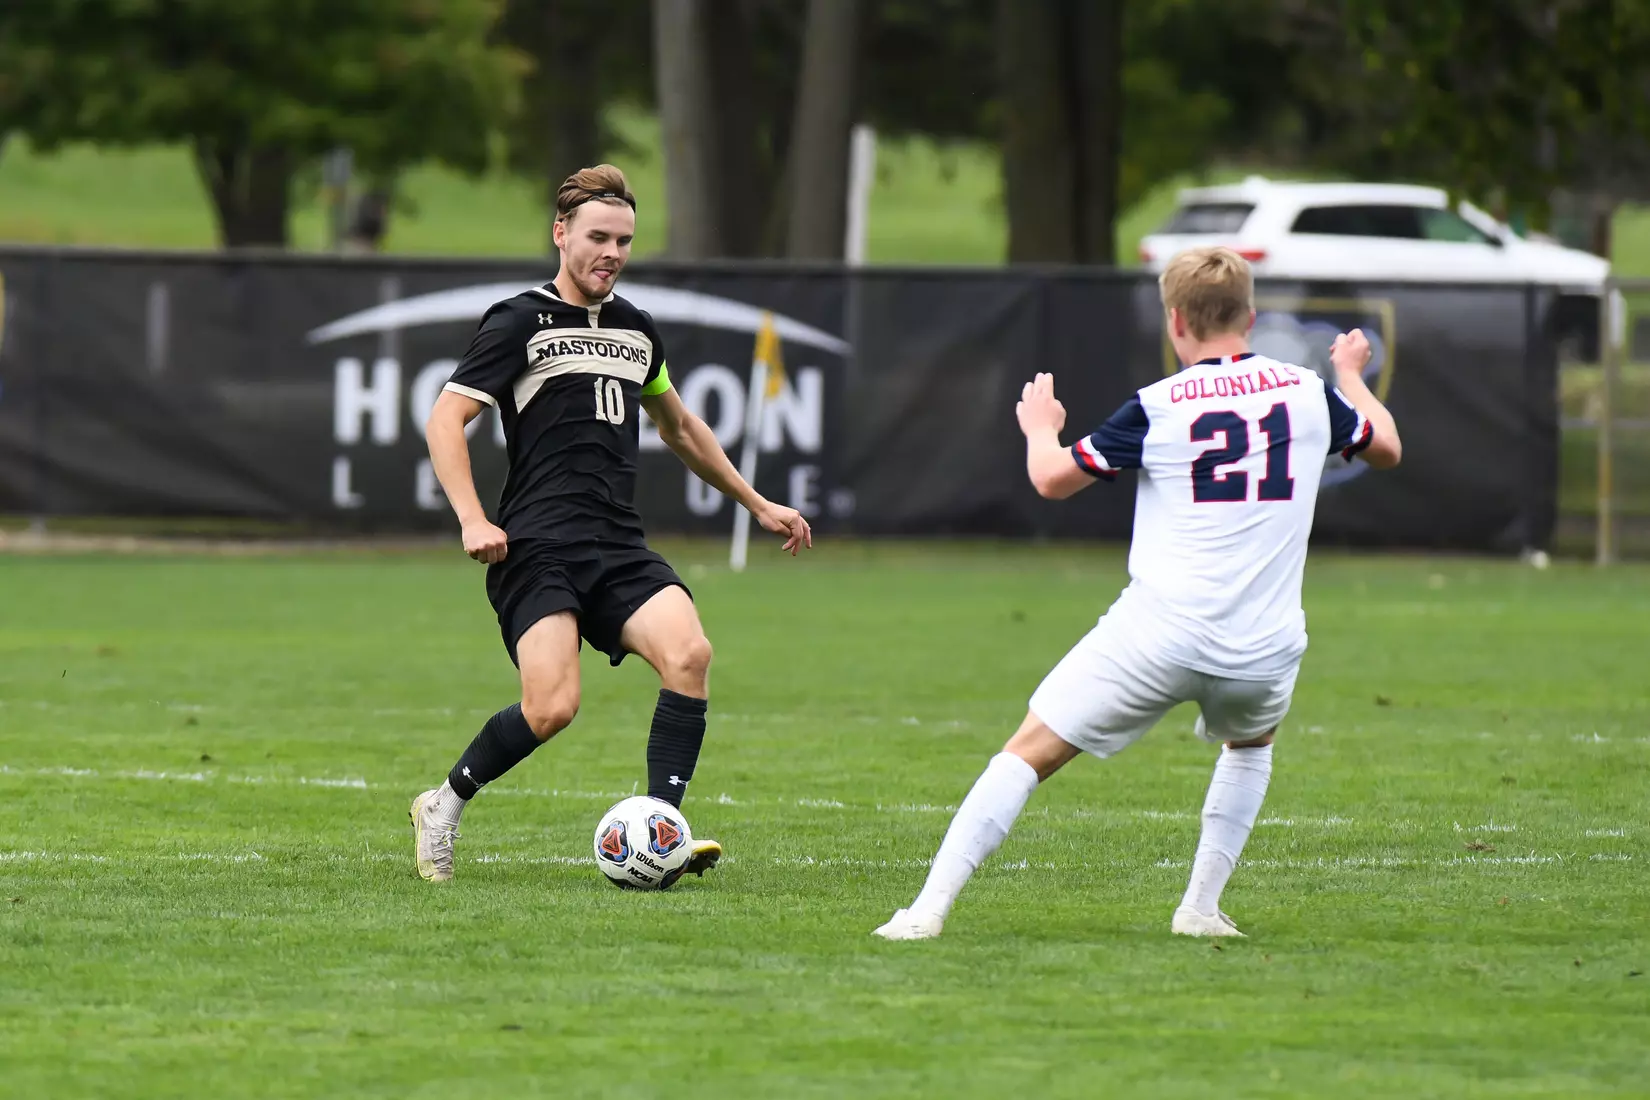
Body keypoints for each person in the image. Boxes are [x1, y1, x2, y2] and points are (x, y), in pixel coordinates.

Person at [874, 245, 1401, 940]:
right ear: (1250, 316)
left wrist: (1040, 430)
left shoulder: (1159, 405)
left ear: (1175, 320)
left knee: (1027, 752)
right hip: (1262, 646)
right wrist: (1351, 375)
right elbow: (1386, 446)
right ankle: (1201, 908)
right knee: (1251, 743)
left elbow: (1052, 479)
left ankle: (927, 911)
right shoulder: (1308, 392)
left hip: (1161, 633)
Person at [411, 165, 812, 883]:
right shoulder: (519, 321)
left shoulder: (635, 329)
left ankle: (663, 831)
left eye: (624, 241)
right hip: (538, 547)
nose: (612, 253)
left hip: (619, 543)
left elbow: (680, 427)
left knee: (690, 654)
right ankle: (443, 803)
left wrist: (757, 503)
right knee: (552, 707)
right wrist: (472, 519)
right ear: (560, 234)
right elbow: (446, 419)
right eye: (598, 237)